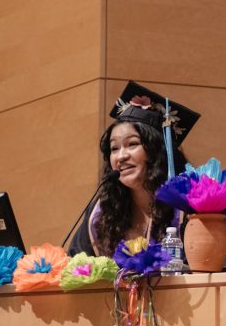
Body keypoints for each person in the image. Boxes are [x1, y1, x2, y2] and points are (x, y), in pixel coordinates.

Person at [67, 82, 200, 257]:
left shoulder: (192, 203)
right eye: (114, 148)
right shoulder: (102, 210)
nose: (121, 156)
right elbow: (75, 263)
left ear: (157, 151)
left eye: (132, 144)